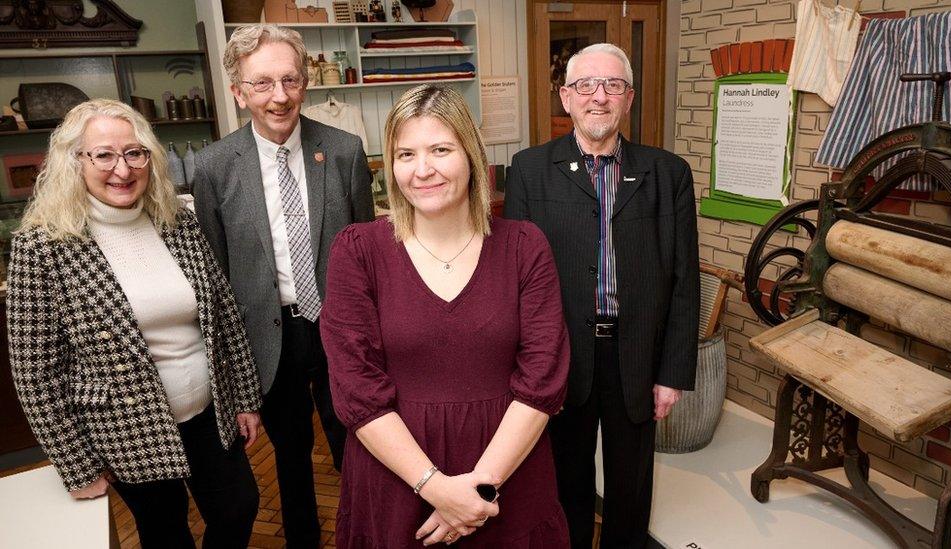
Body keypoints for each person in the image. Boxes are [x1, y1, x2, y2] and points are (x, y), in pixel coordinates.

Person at [321, 84, 571, 547]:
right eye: (405, 154)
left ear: (472, 155)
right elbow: (356, 387)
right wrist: (437, 488)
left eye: (440, 149)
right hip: (398, 475)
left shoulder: (524, 246)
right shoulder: (358, 251)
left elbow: (542, 378)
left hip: (506, 470)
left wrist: (480, 489)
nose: (422, 170)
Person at [7, 98, 261, 549]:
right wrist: (76, 464)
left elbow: (222, 316)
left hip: (209, 412)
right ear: (75, 162)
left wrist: (244, 397)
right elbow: (36, 373)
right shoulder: (42, 246)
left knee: (239, 508)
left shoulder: (177, 222)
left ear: (150, 158)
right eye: (103, 154)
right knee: (166, 533)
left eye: (134, 153)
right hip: (125, 428)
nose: (122, 169)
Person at [504, 43, 700, 548]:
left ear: (629, 98)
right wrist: (523, 368)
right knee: (563, 481)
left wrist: (671, 373)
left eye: (613, 85)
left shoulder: (668, 174)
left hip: (635, 356)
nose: (599, 96)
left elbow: (683, 280)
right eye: (586, 85)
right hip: (561, 357)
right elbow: (514, 281)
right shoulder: (529, 169)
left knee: (630, 489)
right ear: (566, 97)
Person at [192, 23, 374, 548]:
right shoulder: (213, 167)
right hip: (269, 340)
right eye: (263, 83)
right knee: (291, 459)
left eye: (290, 80)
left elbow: (366, 254)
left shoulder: (343, 150)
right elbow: (215, 277)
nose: (279, 96)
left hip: (340, 330)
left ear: (305, 82)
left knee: (359, 446)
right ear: (239, 91)